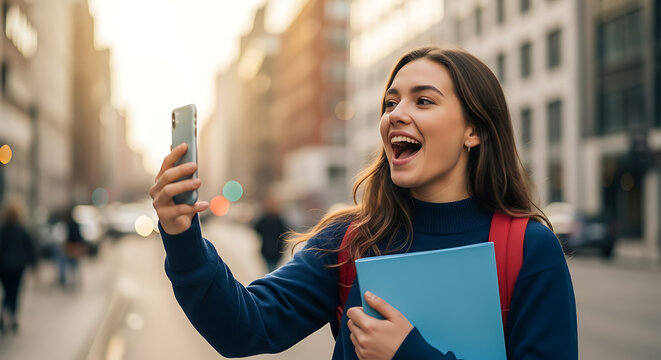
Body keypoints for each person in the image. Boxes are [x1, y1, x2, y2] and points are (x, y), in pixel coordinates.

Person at [150, 47, 577, 359]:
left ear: (474, 131)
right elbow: (242, 327)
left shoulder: (529, 249)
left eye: (423, 101)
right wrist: (182, 236)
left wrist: (410, 354)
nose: (395, 114)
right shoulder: (351, 240)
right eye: (391, 102)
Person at [0, 200, 37, 335]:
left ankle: (5, 310)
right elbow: (30, 249)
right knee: (15, 292)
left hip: (3, 266)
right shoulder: (22, 230)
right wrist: (34, 266)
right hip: (18, 266)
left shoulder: (3, 230)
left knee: (7, 291)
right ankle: (13, 317)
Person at [253, 196, 288, 273]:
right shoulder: (264, 219)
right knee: (271, 270)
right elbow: (257, 228)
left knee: (272, 270)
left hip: (276, 251)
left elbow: (285, 233)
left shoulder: (279, 220)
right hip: (267, 251)